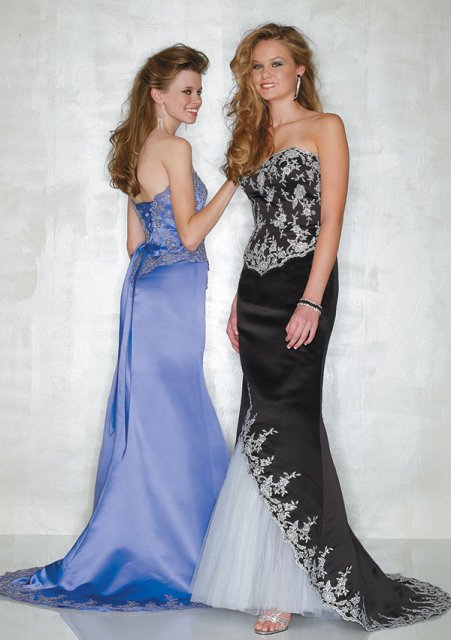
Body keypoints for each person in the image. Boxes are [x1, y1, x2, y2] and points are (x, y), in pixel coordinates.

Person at [191, 23, 451, 634]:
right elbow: (259, 226)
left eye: (276, 64)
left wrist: (311, 300)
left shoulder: (325, 126)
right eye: (257, 66)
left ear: (299, 69)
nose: (266, 75)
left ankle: (291, 579)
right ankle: (269, 573)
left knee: (292, 425)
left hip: (302, 287)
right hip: (257, 293)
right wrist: (237, 301)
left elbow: (331, 218)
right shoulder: (253, 135)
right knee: (259, 423)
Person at [0, 43, 236, 611]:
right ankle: (186, 553)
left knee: (156, 417)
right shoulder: (175, 148)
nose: (196, 101)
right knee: (175, 414)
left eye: (199, 91)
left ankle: (152, 544)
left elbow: (135, 243)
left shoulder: (138, 150)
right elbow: (190, 235)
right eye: (186, 91)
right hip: (173, 293)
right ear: (158, 94)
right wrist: (234, 179)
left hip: (148, 292)